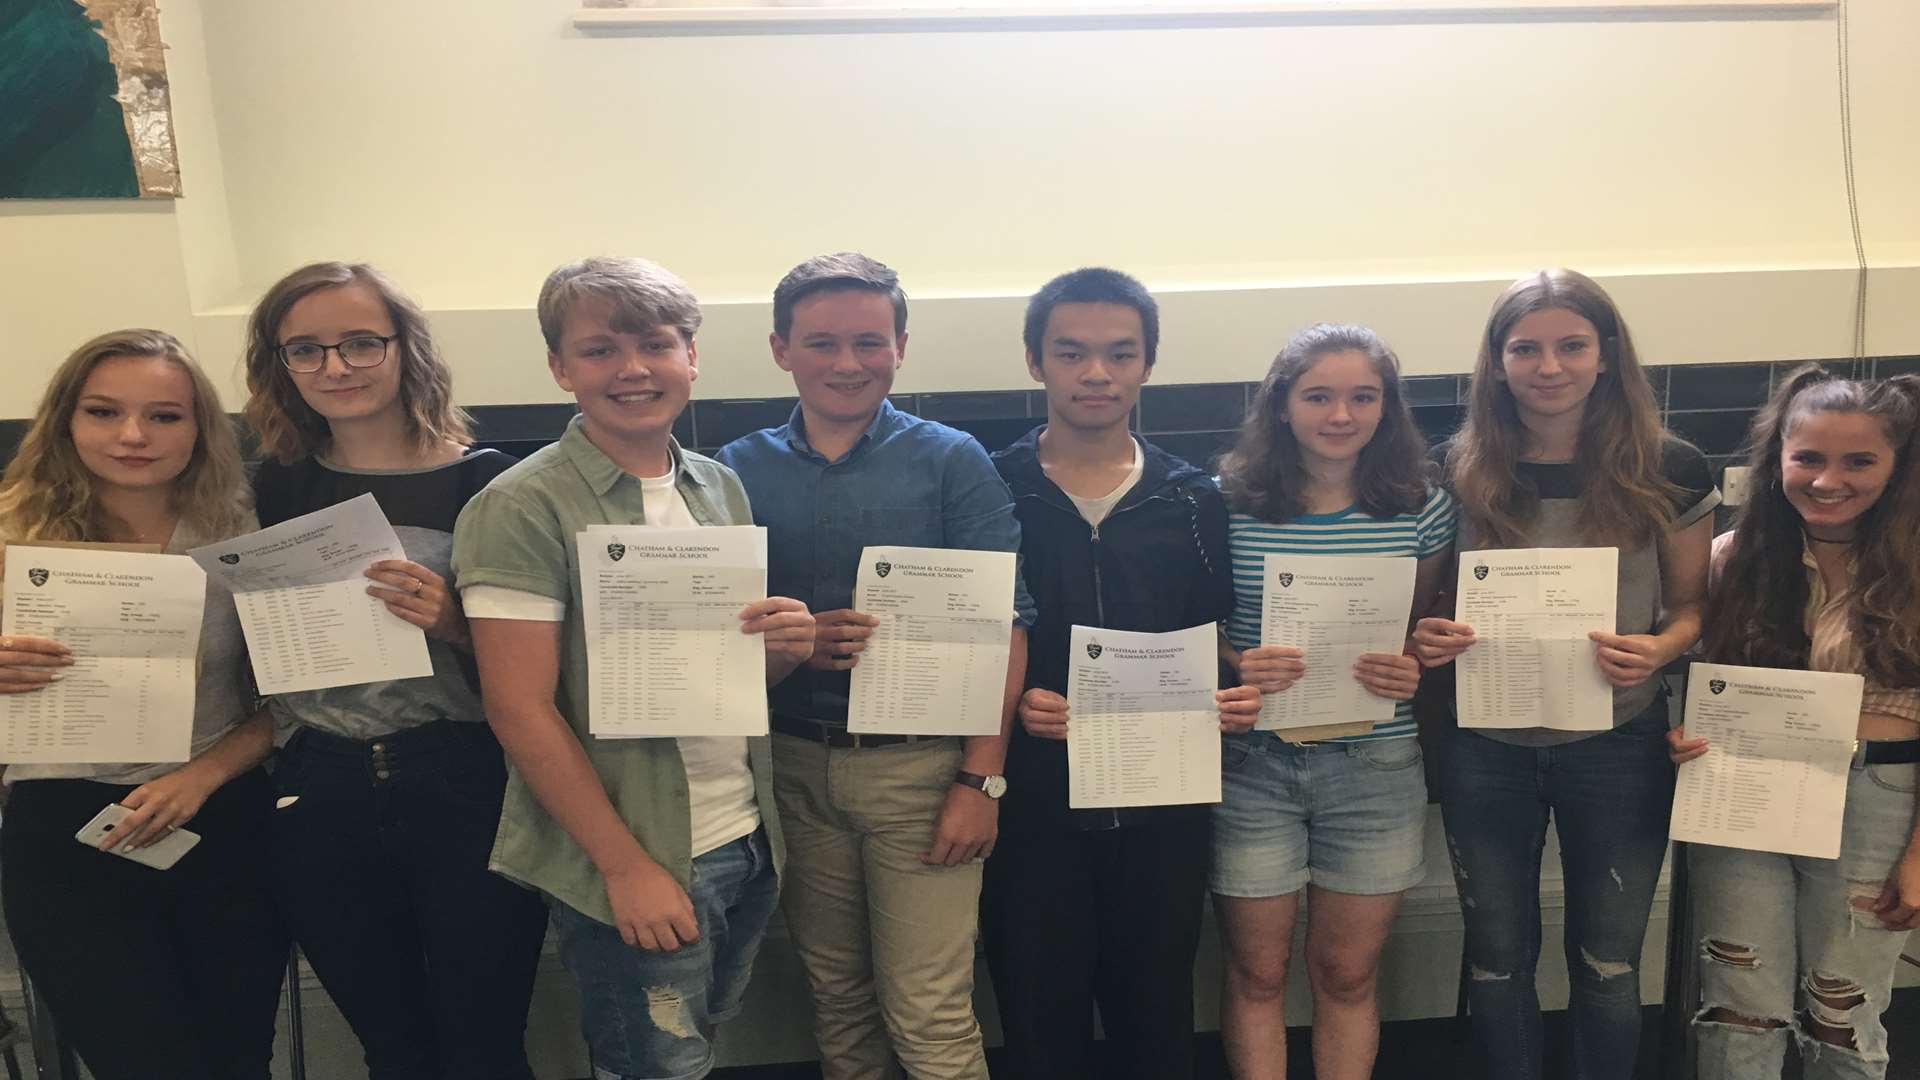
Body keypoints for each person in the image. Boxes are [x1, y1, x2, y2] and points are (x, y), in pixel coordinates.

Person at [453, 256, 815, 1080]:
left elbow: (716, 680)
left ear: (691, 356)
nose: (632, 370)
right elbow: (518, 708)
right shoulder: (521, 505)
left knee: (694, 1050)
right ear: (558, 367)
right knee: (653, 1066)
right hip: (640, 845)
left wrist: (780, 656)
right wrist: (625, 869)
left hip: (743, 833)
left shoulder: (717, 488)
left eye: (655, 344)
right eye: (599, 350)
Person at [715, 252, 1034, 1080]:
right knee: (837, 996)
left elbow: (1006, 624)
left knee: (928, 1006)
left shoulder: (951, 459)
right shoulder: (732, 472)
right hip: (790, 763)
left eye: (869, 341)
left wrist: (981, 780)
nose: (847, 363)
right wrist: (788, 644)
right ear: (782, 349)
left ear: (901, 344)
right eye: (822, 343)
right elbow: (710, 634)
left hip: (921, 772)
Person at [240, 262, 548, 1080]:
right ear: (281, 366)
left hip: (464, 780)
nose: (334, 368)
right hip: (318, 788)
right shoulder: (270, 487)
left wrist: (452, 623)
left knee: (484, 1045)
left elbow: (555, 670)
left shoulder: (493, 484)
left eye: (359, 344)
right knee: (393, 1050)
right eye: (304, 351)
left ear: (406, 347)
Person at [1411, 269, 1718, 1080]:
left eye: (1571, 345)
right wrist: (1430, 637)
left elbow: (1692, 608)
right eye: (1526, 348)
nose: (1549, 366)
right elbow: (1427, 603)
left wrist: (1660, 648)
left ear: (1607, 352)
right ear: (1497, 360)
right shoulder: (1458, 465)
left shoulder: (1671, 465)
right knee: (1497, 957)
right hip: (1485, 743)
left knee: (1610, 962)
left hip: (1617, 741)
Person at [981, 267, 1255, 1080]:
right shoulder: (991, 487)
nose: (1095, 373)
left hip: (1162, 804)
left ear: (1147, 364)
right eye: (1071, 353)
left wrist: (1231, 692)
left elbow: (1211, 635)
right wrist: (1014, 698)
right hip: (1032, 802)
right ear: (1036, 362)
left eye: (1118, 354)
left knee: (1157, 1011)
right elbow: (975, 629)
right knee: (1037, 1013)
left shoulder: (1194, 498)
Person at [0, 329, 285, 1079]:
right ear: (66, 419)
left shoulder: (243, 529)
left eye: (165, 415)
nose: (132, 436)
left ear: (201, 428)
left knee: (236, 1062)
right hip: (61, 835)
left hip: (218, 820)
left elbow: (294, 695)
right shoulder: (7, 530)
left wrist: (206, 774)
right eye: (103, 412)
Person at [1210, 323, 1455, 1080]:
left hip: (1376, 764)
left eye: (1362, 396)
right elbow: (1197, 621)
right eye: (1318, 395)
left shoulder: (1422, 504)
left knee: (1347, 975)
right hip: (1254, 764)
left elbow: (1418, 630)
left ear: (1388, 408)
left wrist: (1416, 660)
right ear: (1281, 405)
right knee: (1256, 974)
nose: (1341, 414)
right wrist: (1236, 659)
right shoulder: (1225, 502)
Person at [1671, 365, 1920, 1080]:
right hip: (1745, 796)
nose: (1828, 479)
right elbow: (1707, 685)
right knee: (1737, 1004)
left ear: (1898, 466)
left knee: (1840, 1014)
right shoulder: (1733, 559)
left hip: (1878, 797)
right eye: (1807, 456)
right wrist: (1687, 736)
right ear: (1777, 456)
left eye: (1859, 461)